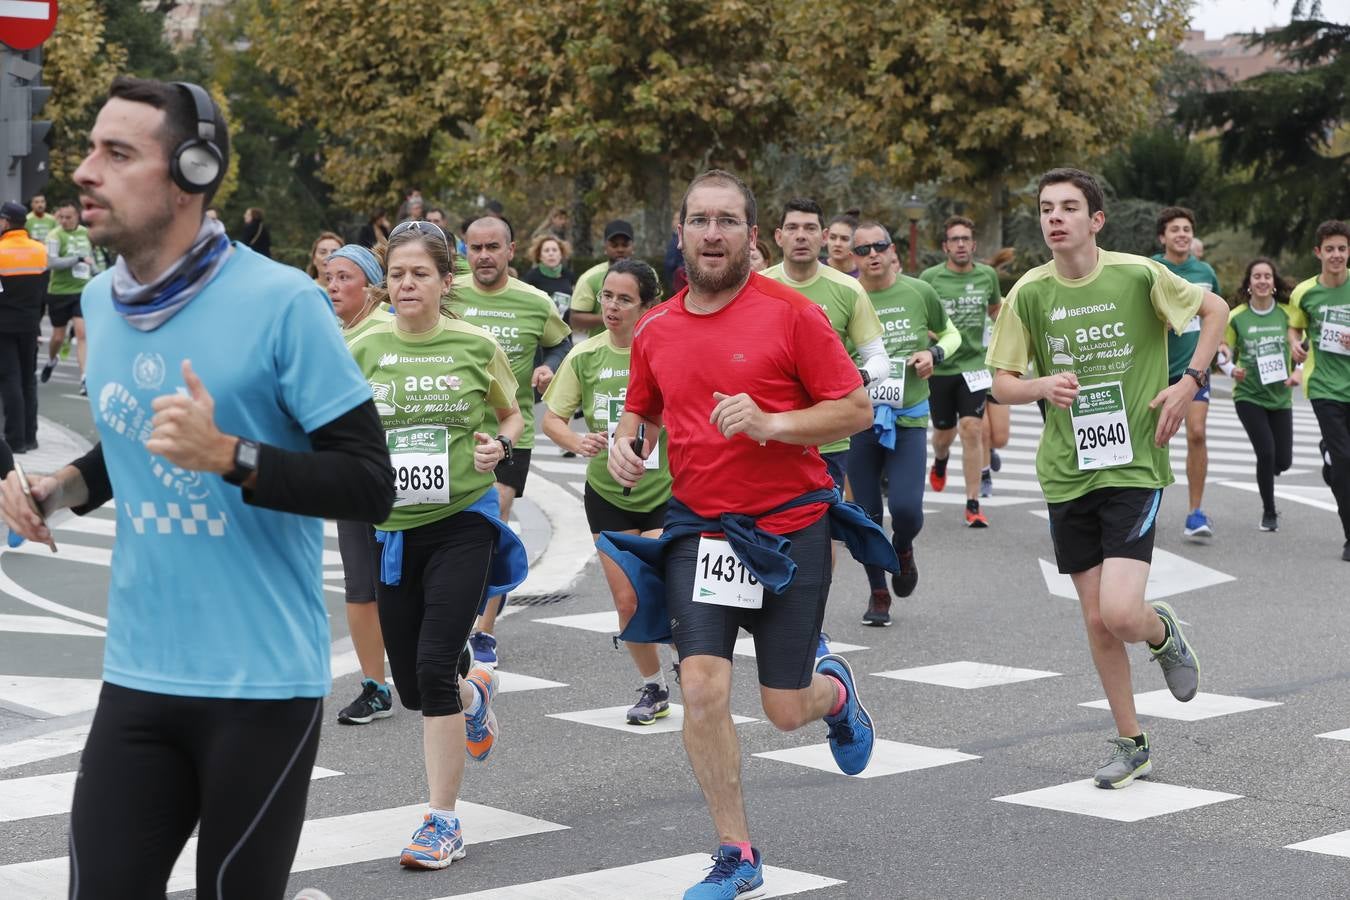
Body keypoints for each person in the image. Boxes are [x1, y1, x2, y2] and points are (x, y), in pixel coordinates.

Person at [0, 76, 394, 898]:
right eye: (88, 149)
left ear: (192, 170)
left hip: (259, 687)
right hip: (140, 672)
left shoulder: (283, 301)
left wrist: (235, 457)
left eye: (117, 153)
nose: (83, 171)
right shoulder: (106, 302)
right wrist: (58, 489)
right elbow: (138, 443)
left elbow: (369, 485)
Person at [606, 170, 881, 899]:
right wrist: (625, 442)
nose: (713, 234)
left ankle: (837, 697)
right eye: (700, 220)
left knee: (784, 709)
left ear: (750, 235)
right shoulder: (657, 327)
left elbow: (854, 409)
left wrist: (773, 424)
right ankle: (736, 852)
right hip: (702, 530)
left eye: (728, 221)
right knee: (700, 688)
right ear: (681, 230)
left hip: (791, 526)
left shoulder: (792, 315)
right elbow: (644, 409)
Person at [987, 167, 1224, 790]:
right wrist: (1040, 386)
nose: (1054, 217)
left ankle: (1161, 630)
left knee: (1121, 612)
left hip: (1134, 462)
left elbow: (1215, 309)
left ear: (1096, 221)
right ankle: (1132, 742)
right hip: (1067, 471)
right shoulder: (1029, 293)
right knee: (1095, 621)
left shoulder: (1138, 275)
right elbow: (1002, 381)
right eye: (1045, 208)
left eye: (1068, 207)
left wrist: (1189, 382)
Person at [347, 218, 528, 867]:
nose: (407, 284)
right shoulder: (362, 344)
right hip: (392, 530)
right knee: (419, 686)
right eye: (396, 273)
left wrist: (499, 445)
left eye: (419, 273)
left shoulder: (474, 344)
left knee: (431, 664)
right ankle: (473, 696)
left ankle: (441, 820)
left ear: (443, 281)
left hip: (461, 519)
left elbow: (512, 413)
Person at [541, 259, 675, 724]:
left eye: (624, 299)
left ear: (647, 305)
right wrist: (579, 441)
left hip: (665, 491)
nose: (612, 308)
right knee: (627, 600)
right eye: (606, 297)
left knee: (669, 589)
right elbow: (554, 419)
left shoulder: (666, 351)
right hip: (607, 494)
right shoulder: (586, 356)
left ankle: (696, 666)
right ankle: (654, 687)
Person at [450, 215, 571, 667]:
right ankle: (454, 613)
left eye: (492, 247)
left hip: (509, 430)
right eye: (475, 248)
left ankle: (484, 630)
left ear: (511, 251)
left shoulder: (534, 302)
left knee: (493, 517)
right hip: (453, 428)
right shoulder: (449, 292)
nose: (483, 256)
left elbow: (562, 343)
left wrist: (549, 366)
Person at [850, 221, 960, 622]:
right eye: (863, 250)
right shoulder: (849, 295)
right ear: (853, 257)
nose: (872, 255)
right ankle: (878, 592)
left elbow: (952, 334)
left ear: (891, 248)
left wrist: (934, 354)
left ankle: (904, 547)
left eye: (878, 246)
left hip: (909, 417)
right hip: (859, 418)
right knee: (865, 514)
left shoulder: (919, 291)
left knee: (907, 509)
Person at [762, 197, 889, 498]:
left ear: (824, 236)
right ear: (779, 236)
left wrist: (857, 379)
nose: (801, 235)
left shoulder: (848, 289)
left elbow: (879, 359)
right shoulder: (757, 286)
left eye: (810, 228)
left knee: (824, 539)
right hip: (769, 436)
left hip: (828, 439)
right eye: (792, 227)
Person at [327, 243, 398, 725]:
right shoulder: (333, 334)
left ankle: (442, 656)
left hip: (401, 478)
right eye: (328, 276)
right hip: (351, 477)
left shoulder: (389, 330)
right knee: (359, 588)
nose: (332, 285)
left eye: (344, 277)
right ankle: (375, 685)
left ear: (371, 287)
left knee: (400, 583)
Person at [920, 216, 1003, 526]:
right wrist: (937, 340)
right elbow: (922, 317)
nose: (960, 244)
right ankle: (940, 461)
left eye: (965, 239)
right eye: (954, 239)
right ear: (945, 247)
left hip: (974, 367)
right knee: (943, 434)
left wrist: (999, 338)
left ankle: (973, 503)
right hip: (941, 369)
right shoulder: (930, 278)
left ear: (973, 244)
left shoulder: (987, 276)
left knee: (972, 428)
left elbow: (995, 311)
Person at [1152, 207, 1221, 540]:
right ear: (1162, 237)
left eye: (1187, 229)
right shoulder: (1150, 268)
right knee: (1152, 441)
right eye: (1175, 229)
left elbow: (1215, 314)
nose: (1182, 234)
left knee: (1197, 433)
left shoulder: (1205, 272)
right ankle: (1144, 506)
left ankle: (1195, 512)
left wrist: (1218, 348)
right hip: (1154, 370)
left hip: (1193, 370)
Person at [1219, 257, 1298, 532]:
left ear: (1274, 284)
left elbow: (1299, 346)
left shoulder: (1287, 314)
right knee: (1266, 452)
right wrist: (1230, 370)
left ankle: (1271, 470)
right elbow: (1222, 350)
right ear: (1249, 284)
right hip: (1248, 395)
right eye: (1257, 277)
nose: (1262, 281)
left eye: (1267, 276)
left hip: (1280, 395)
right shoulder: (1236, 316)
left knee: (1283, 460)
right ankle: (1269, 512)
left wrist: (1298, 370)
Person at [1288, 219, 1350, 561]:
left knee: (1341, 462)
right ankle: (1349, 535)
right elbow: (1295, 328)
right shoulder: (1304, 292)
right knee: (1345, 461)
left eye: (1342, 249)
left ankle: (1329, 454)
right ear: (1318, 253)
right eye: (1330, 249)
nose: (1336, 255)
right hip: (1324, 386)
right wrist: (1295, 345)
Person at [0, 201, 47, 454]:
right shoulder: (39, 251)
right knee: (28, 380)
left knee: (10, 380)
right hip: (30, 324)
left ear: (6, 222)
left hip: (3, 327)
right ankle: (31, 436)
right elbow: (43, 293)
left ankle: (15, 440)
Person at [40, 200, 95, 395]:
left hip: (82, 290)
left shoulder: (85, 233)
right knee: (58, 337)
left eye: (68, 217)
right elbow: (52, 263)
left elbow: (91, 258)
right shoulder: (54, 235)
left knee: (82, 334)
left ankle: (85, 378)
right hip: (59, 292)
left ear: (77, 217)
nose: (64, 221)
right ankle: (52, 360)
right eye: (61, 217)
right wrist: (77, 259)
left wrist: (95, 272)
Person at [569, 219, 637, 335]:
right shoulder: (589, 278)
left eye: (625, 245)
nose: (620, 249)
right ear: (605, 247)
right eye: (614, 245)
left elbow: (656, 310)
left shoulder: (648, 275)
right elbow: (575, 319)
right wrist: (611, 317)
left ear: (633, 247)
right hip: (600, 350)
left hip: (640, 346)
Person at [521, 233, 577, 316]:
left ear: (561, 254)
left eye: (554, 250)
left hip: (565, 327)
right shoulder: (531, 277)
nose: (551, 254)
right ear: (540, 256)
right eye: (546, 250)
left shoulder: (569, 275)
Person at [824, 213, 859, 277]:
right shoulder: (816, 270)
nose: (837, 244)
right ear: (826, 237)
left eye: (844, 239)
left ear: (855, 241)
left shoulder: (864, 274)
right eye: (832, 238)